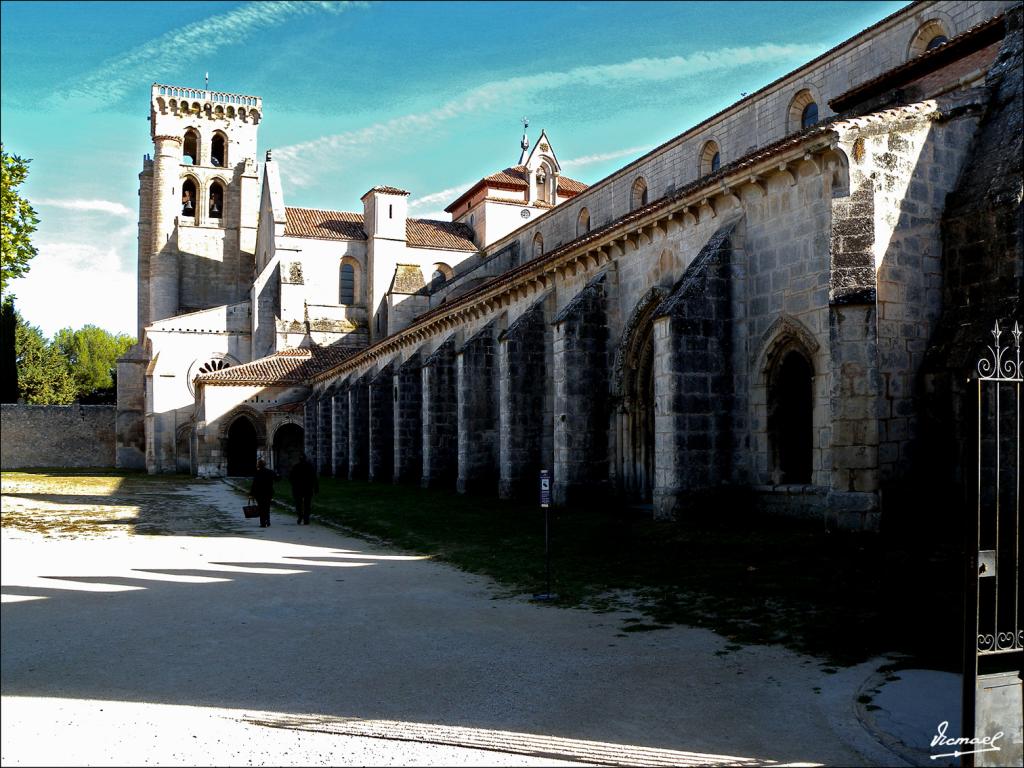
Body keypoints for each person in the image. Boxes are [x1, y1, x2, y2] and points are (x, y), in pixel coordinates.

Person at [288, 453, 319, 525]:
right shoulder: (310, 466)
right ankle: (306, 519)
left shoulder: (296, 467)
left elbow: (290, 478)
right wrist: (316, 488)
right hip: (307, 488)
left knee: (298, 504)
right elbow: (314, 478)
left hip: (298, 488)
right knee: (307, 504)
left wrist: (294, 484)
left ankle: (300, 516)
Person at [250, 458, 275, 528]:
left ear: (259, 465)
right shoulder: (270, 472)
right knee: (267, 507)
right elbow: (277, 478)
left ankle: (263, 523)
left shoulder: (257, 473)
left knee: (261, 507)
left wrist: (251, 493)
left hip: (259, 493)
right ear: (265, 465)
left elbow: (254, 484)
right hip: (268, 492)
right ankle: (268, 521)